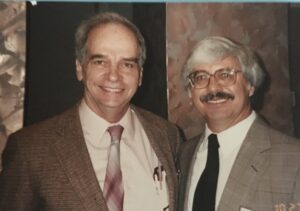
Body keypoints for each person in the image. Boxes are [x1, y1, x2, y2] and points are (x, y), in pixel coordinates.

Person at [0, 12, 181, 211]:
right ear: (80, 68)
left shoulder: (167, 136)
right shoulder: (30, 149)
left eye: (127, 64)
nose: (114, 76)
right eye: (100, 62)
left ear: (140, 75)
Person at [177, 36, 300, 211]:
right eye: (200, 77)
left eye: (225, 75)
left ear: (250, 85)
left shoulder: (294, 160)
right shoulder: (184, 154)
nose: (212, 88)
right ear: (190, 92)